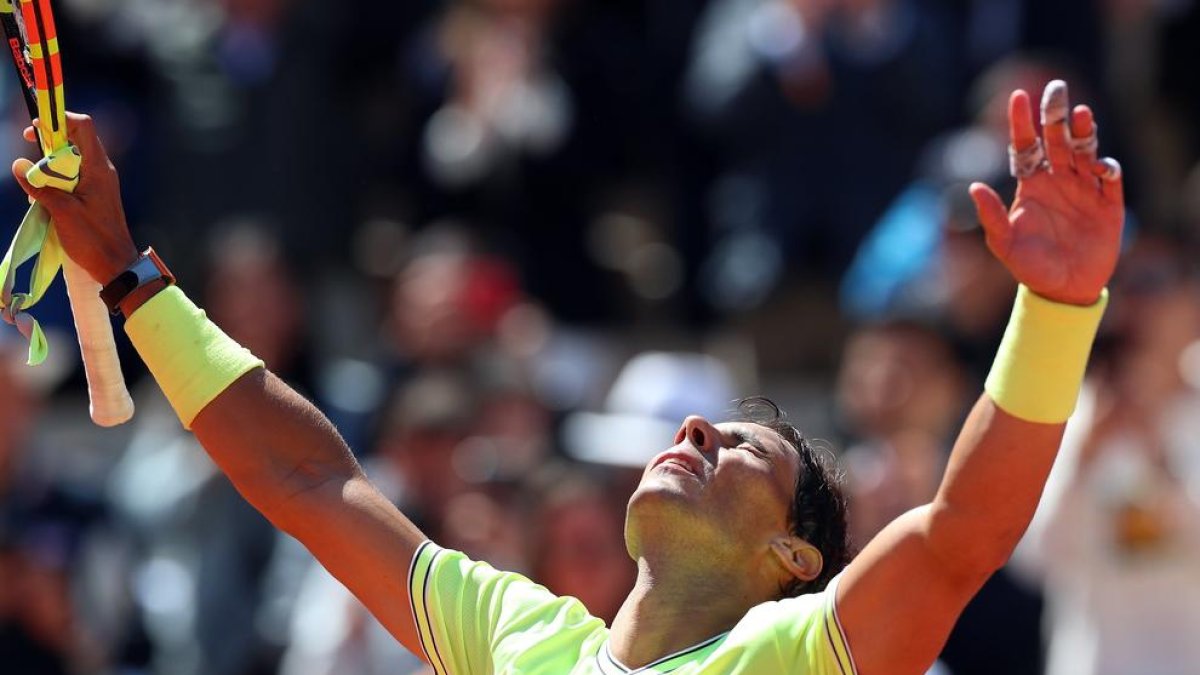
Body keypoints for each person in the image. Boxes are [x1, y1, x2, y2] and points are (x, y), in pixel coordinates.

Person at [9, 79, 1123, 674]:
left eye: (743, 449)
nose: (695, 427)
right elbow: (304, 477)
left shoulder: (797, 661)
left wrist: (1060, 308)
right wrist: (129, 275)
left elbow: (964, 529)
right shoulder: (520, 636)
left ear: (794, 558)